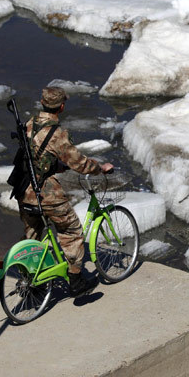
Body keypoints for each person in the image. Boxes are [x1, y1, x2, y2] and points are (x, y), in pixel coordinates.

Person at [18, 86, 114, 297]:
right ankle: (76, 281)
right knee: (71, 232)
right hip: (46, 194)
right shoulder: (57, 134)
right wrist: (100, 168)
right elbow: (80, 163)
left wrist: (54, 166)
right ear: (61, 107)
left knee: (32, 235)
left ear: (42, 102)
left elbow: (35, 157)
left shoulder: (29, 124)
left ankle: (33, 278)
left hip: (24, 190)